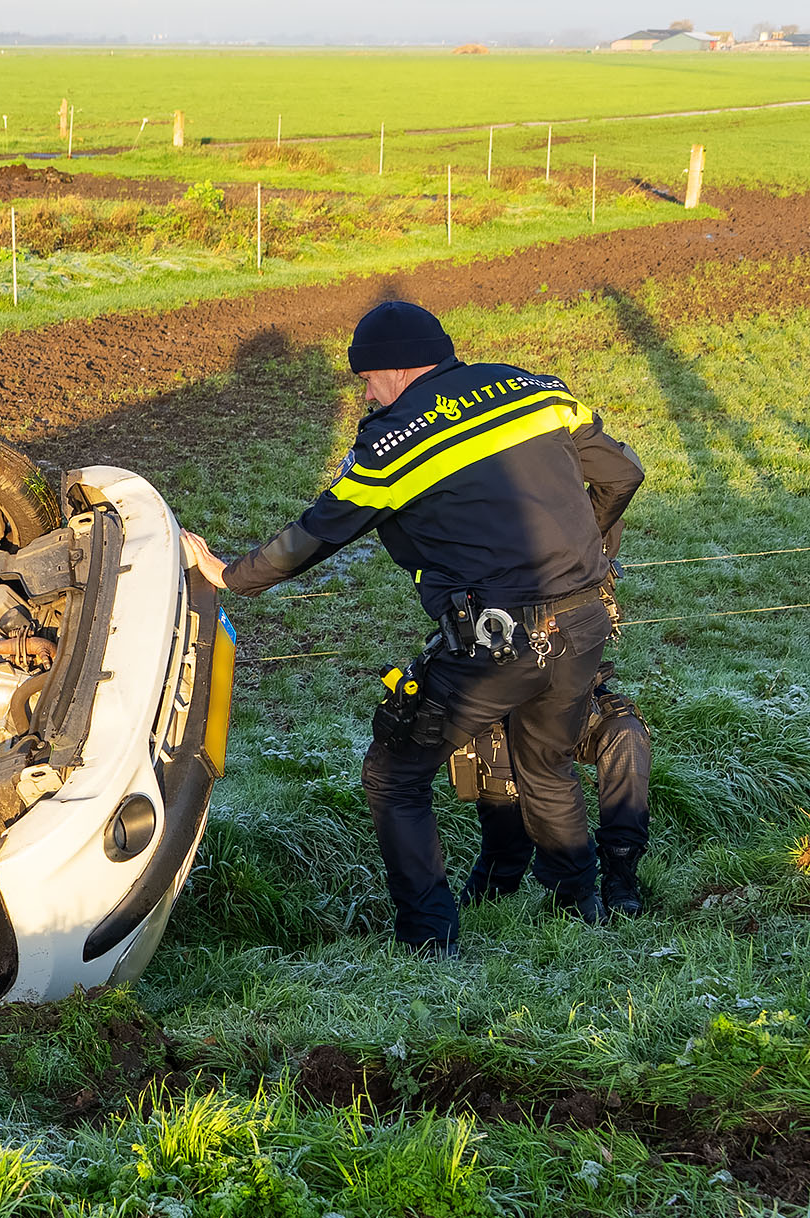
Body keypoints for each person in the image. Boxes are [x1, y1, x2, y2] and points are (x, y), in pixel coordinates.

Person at [182, 300, 644, 953]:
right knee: (546, 763)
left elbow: (316, 534)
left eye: (368, 377)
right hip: (584, 618)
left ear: (399, 369)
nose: (365, 392)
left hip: (496, 638)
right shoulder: (536, 389)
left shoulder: (395, 439)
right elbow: (624, 473)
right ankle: (583, 907)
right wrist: (584, 552)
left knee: (395, 774)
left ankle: (430, 941)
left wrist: (231, 576)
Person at [456, 662, 650, 916]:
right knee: (506, 853)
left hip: (571, 703)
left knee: (625, 733)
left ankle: (620, 874)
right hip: (504, 716)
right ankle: (477, 909)